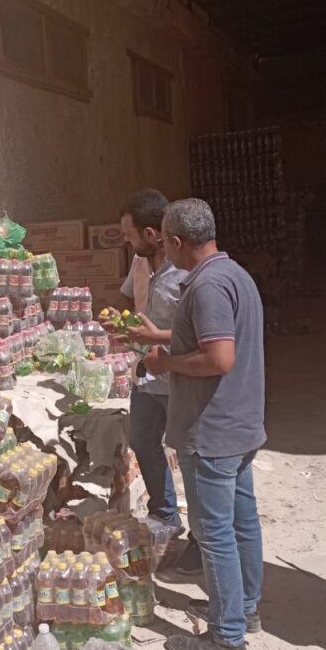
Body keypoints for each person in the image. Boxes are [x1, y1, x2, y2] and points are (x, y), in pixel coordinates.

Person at [144, 198, 265, 650]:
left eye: (165, 243)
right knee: (241, 523)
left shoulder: (207, 286)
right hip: (240, 424)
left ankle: (226, 639)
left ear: (175, 242)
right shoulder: (234, 275)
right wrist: (157, 339)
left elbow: (218, 358)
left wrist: (165, 363)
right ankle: (242, 610)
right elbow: (208, 337)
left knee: (215, 534)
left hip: (212, 430)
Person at [114, 190, 188, 538]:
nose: (127, 243)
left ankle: (203, 537)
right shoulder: (139, 262)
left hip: (180, 376)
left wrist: (161, 341)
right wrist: (119, 321)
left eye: (130, 236)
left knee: (190, 456)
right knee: (143, 441)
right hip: (145, 375)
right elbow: (127, 297)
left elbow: (201, 331)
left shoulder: (186, 270)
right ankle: (165, 514)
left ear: (150, 234)